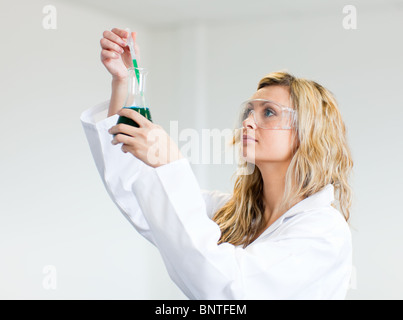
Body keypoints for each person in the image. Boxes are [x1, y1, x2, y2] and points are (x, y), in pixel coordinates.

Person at [80, 28, 353, 299]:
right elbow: (141, 193)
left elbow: (230, 290)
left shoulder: (323, 231)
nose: (248, 121)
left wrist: (171, 163)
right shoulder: (231, 213)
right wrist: (124, 83)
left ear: (309, 132)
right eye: (249, 111)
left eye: (268, 112)